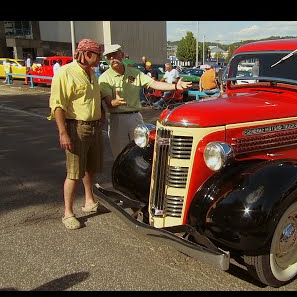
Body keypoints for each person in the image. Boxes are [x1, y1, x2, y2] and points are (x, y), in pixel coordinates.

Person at [48, 38, 113, 230]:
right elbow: (57, 105)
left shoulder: (92, 73)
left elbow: (95, 97)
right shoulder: (65, 73)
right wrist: (63, 133)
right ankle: (68, 212)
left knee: (91, 168)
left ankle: (89, 201)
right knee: (74, 172)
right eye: (97, 55)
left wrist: (101, 114)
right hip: (76, 127)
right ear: (85, 54)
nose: (100, 59)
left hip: (93, 128)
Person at [99, 44, 192, 158]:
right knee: (120, 156)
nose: (112, 59)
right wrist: (115, 102)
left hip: (135, 117)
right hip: (117, 119)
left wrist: (175, 86)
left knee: (141, 152)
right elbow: (109, 102)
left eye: (114, 55)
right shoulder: (104, 78)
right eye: (109, 57)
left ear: (121, 55)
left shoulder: (135, 73)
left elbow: (154, 84)